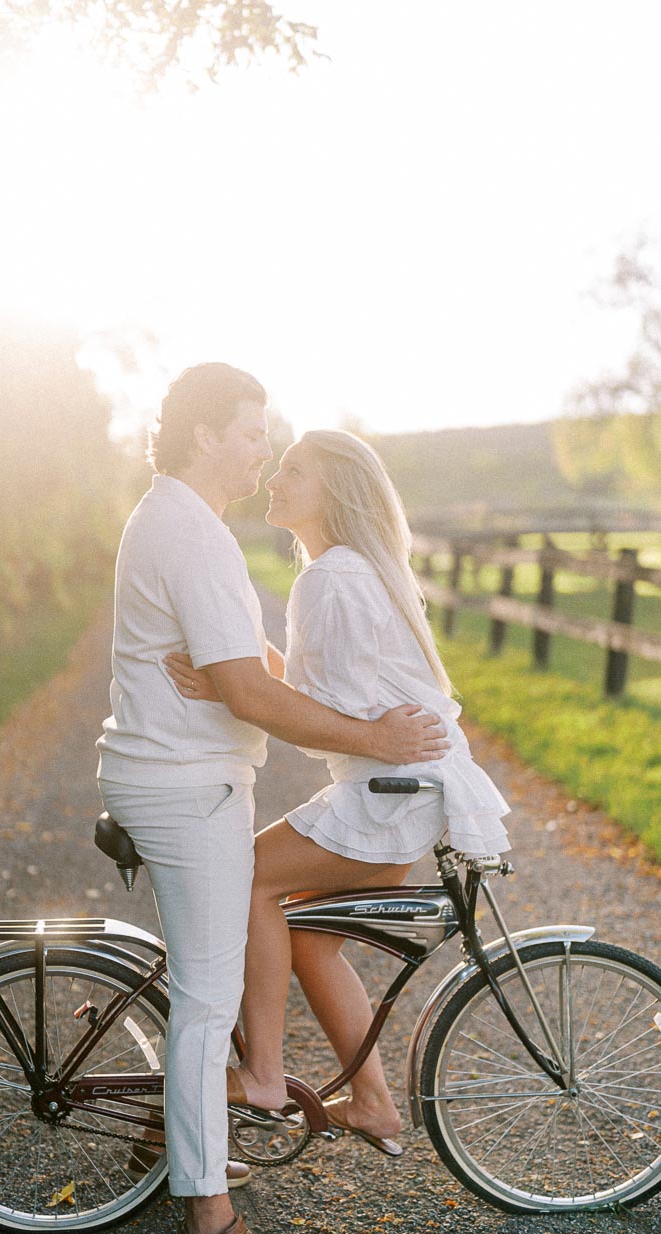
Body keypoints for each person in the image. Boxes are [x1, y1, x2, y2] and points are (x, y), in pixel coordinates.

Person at [97, 370, 450, 1234]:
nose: (263, 450)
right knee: (210, 999)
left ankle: (189, 1135)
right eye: (254, 433)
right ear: (207, 433)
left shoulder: (183, 525)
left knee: (218, 976)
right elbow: (257, 690)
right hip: (185, 787)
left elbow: (250, 669)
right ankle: (209, 1227)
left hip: (191, 780)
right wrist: (375, 740)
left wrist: (243, 680)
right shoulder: (188, 530)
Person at [165, 428, 510, 1153]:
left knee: (250, 879)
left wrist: (237, 693)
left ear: (336, 493)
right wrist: (242, 670)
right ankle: (376, 1103)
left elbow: (327, 722)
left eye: (295, 471)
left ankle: (261, 1074)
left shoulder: (332, 578)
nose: (275, 479)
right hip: (401, 795)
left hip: (387, 795)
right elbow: (332, 696)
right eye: (278, 466)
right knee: (312, 938)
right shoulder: (345, 572)